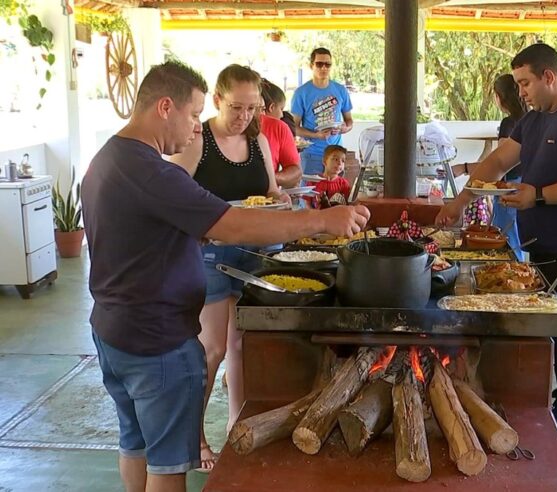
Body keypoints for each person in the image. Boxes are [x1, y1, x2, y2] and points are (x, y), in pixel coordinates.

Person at [82, 59, 370, 492]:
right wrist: (323, 221)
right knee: (167, 465)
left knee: (137, 443)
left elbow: (138, 234)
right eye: (194, 113)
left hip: (113, 329)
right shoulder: (155, 173)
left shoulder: (109, 157)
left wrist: (182, 240)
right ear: (165, 107)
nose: (195, 127)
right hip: (156, 340)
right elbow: (233, 225)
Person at [436, 43, 557, 461]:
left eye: (525, 83)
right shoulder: (534, 119)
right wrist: (459, 203)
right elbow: (498, 160)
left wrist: (539, 197)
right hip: (543, 245)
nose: (522, 93)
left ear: (549, 76)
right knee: (549, 330)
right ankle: (555, 410)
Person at [167, 64, 290, 473]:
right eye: (236, 107)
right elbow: (175, 195)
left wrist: (280, 200)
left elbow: (271, 190)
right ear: (218, 100)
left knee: (241, 345)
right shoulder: (198, 139)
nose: (244, 116)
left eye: (252, 108)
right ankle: (195, 435)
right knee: (213, 348)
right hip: (212, 255)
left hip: (256, 250)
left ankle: (237, 424)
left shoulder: (259, 141)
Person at [452, 74, 528, 260]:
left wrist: (464, 168)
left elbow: (501, 162)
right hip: (524, 185)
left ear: (499, 97)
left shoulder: (509, 123)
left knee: (505, 240)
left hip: (508, 187)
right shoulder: (529, 120)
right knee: (514, 237)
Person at [291, 47, 354, 176]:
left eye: (327, 64)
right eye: (319, 64)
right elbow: (293, 127)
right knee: (310, 195)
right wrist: (316, 135)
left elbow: (349, 121)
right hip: (312, 154)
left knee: (336, 195)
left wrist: (344, 128)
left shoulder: (340, 90)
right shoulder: (301, 93)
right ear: (311, 65)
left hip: (335, 154)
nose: (324, 68)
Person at [260, 79, 302, 189]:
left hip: (264, 201)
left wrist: (269, 178)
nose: (282, 115)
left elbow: (295, 172)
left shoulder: (279, 127)